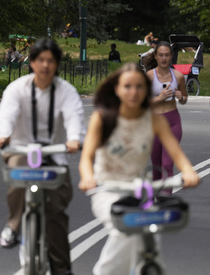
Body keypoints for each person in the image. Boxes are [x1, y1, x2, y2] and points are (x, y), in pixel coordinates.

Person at [78, 62, 199, 275]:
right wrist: (88, 178)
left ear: (146, 90)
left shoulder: (154, 120)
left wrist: (188, 172)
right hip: (108, 190)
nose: (133, 92)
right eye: (127, 86)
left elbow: (176, 154)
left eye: (139, 87)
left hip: (141, 191)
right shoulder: (103, 118)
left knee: (152, 237)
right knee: (124, 228)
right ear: (117, 89)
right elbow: (86, 158)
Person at [0, 38, 84, 275]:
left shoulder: (66, 91)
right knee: (17, 174)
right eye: (40, 60)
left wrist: (74, 139)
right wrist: (2, 136)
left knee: (56, 210)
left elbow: (74, 116)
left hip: (55, 155)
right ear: (32, 63)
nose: (45, 65)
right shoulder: (17, 89)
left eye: (50, 61)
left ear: (57, 64)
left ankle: (61, 269)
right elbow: (7, 115)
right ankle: (13, 226)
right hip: (21, 150)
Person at [144, 41, 188, 185]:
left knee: (167, 165)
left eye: (167, 55)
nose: (164, 58)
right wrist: (159, 98)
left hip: (173, 122)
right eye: (161, 55)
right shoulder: (149, 76)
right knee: (157, 168)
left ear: (171, 56)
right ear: (155, 56)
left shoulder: (178, 76)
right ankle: (157, 199)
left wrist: (181, 97)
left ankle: (164, 200)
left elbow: (184, 99)